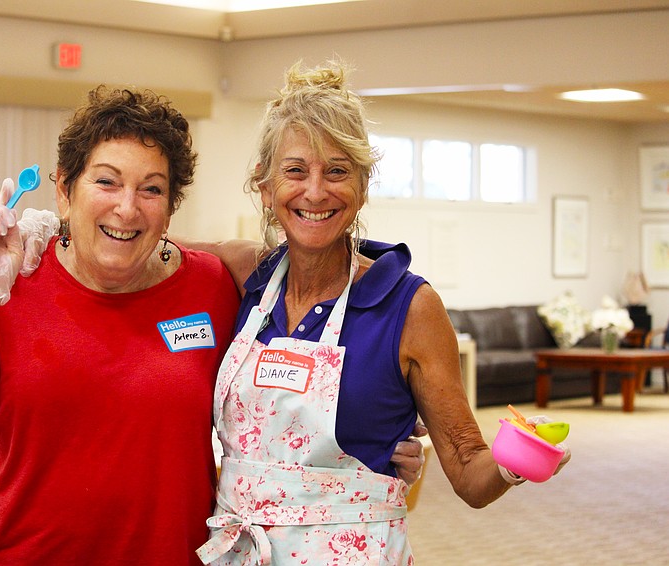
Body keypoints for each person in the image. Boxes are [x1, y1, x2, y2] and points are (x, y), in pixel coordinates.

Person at [180, 60, 570, 565]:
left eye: (337, 171)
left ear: (363, 186)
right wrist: (48, 229)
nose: (315, 192)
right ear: (265, 184)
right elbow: (143, 242)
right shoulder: (246, 275)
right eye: (295, 170)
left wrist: (518, 460)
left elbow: (470, 473)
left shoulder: (411, 307)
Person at [0, 85, 243, 564]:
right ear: (64, 191)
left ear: (170, 207)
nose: (127, 208)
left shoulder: (210, 288)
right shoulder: (12, 279)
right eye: (106, 182)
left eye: (152, 189)